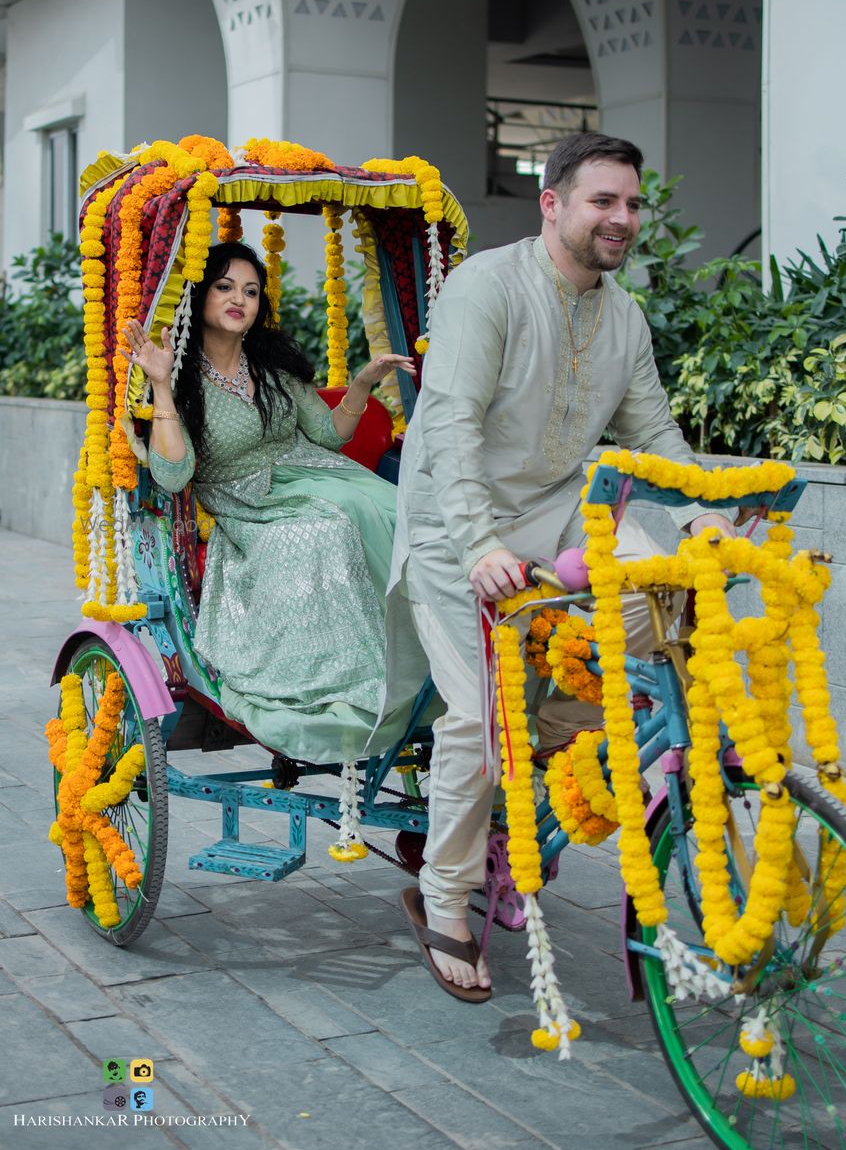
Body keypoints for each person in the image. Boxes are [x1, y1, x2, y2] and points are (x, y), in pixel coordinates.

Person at [391, 132, 742, 1002]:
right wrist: (478, 546)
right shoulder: (487, 287)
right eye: (603, 201)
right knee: (483, 712)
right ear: (552, 204)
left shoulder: (623, 313)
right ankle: (446, 896)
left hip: (551, 512)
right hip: (450, 522)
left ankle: (528, 799)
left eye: (631, 203)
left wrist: (709, 515)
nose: (622, 218)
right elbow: (451, 429)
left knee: (663, 611)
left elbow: (655, 435)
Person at [126, 240, 428, 765]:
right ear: (199, 295)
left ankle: (424, 667)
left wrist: (361, 383)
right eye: (224, 287)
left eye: (250, 290)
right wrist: (161, 385)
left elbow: (329, 435)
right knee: (328, 528)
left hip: (318, 474)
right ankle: (350, 685)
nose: (239, 299)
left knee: (397, 509)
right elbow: (174, 476)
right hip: (249, 503)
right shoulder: (177, 374)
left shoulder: (272, 365)